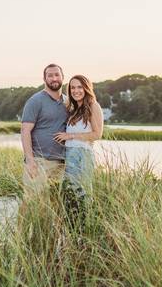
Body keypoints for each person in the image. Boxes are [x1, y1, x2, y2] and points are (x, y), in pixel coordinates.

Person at [20, 63, 68, 199]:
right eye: (50, 75)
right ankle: (24, 222)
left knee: (54, 205)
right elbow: (25, 131)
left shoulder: (68, 102)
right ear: (44, 79)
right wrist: (30, 161)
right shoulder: (35, 101)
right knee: (32, 202)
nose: (54, 78)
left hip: (61, 163)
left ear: (63, 77)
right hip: (39, 161)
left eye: (57, 75)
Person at [53, 74, 103, 207]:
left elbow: (97, 134)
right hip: (70, 154)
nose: (76, 91)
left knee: (83, 193)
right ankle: (73, 224)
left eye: (80, 87)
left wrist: (70, 136)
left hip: (83, 155)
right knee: (70, 193)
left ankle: (85, 223)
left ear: (86, 88)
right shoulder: (73, 109)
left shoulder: (93, 106)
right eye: (73, 88)